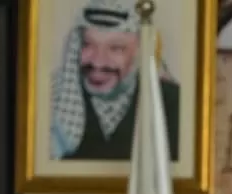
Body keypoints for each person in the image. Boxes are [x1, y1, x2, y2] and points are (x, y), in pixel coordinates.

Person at [49, 0, 180, 161]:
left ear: (140, 53)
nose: (98, 62)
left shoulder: (174, 104)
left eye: (116, 48)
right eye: (88, 45)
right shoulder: (50, 100)